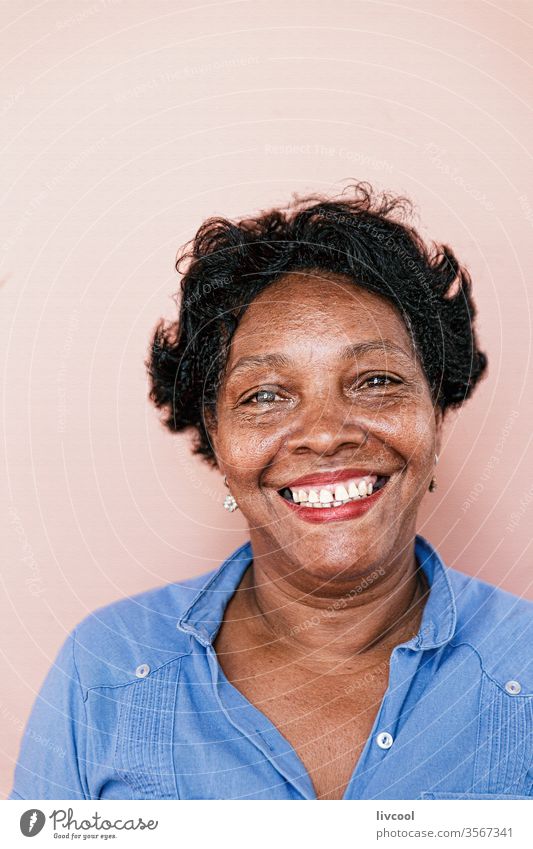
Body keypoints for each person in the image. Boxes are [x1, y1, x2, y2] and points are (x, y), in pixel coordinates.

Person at [10, 183, 533, 800]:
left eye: (375, 381)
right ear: (216, 436)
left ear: (436, 416)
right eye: (264, 395)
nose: (324, 435)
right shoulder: (106, 668)